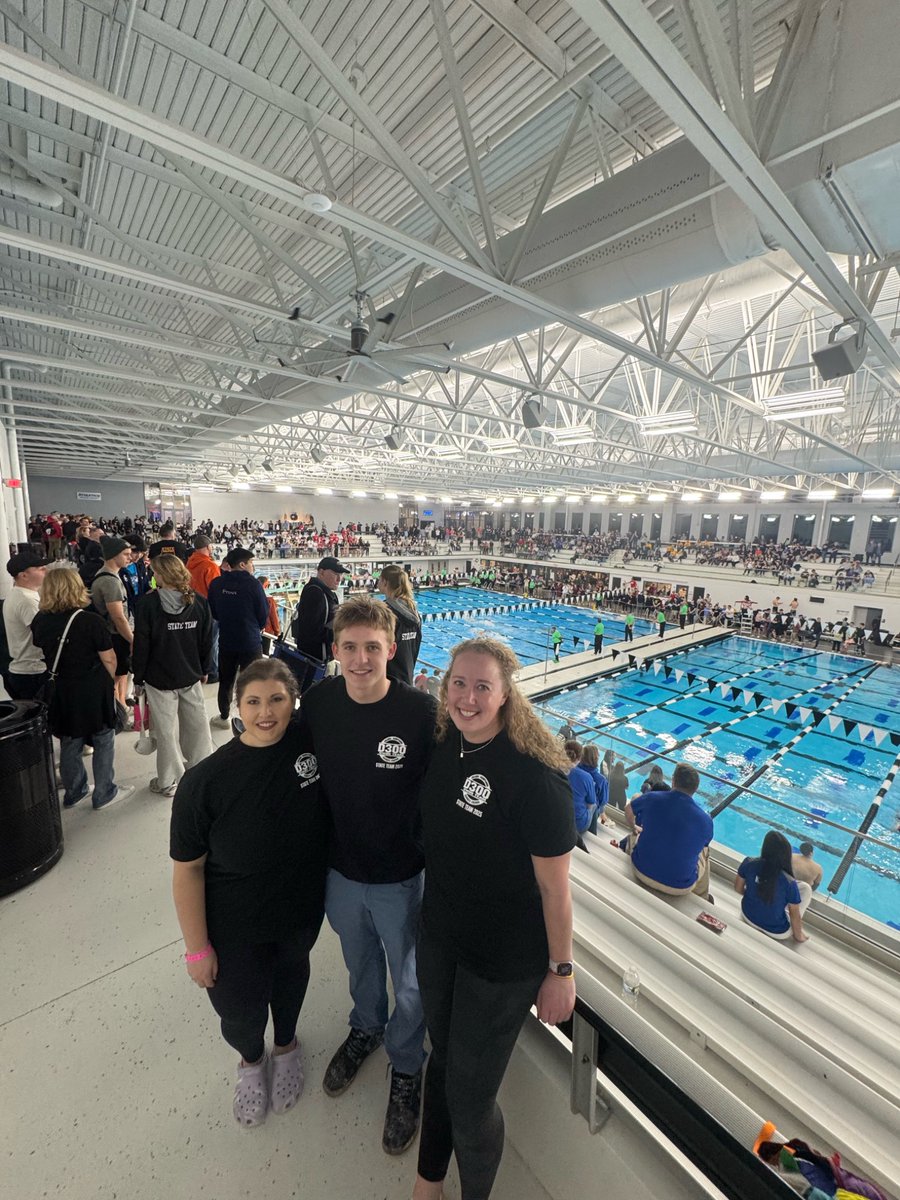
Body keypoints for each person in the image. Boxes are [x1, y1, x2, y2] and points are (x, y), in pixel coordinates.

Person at [413, 637, 576, 1200]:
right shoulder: (443, 746)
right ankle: (427, 1181)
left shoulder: (535, 780)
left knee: (471, 1097)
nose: (467, 697)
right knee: (443, 1061)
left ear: (506, 695)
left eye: (483, 686)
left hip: (502, 963)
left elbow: (556, 890)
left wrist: (560, 970)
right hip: (439, 939)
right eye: (458, 683)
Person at [300, 595, 437, 1155]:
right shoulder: (320, 702)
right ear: (336, 650)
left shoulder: (418, 713)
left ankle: (407, 1065)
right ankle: (365, 1028)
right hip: (341, 869)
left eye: (372, 649)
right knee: (358, 961)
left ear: (390, 649)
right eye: (351, 648)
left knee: (409, 979)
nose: (361, 660)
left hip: (402, 874)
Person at [170, 658, 329, 1126]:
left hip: (299, 910)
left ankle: (286, 1045)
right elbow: (187, 872)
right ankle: (250, 1061)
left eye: (277, 700)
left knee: (290, 980)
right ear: (237, 705)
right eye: (254, 701)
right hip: (233, 923)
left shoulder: (308, 744)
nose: (266, 712)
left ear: (293, 702)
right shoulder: (204, 783)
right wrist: (197, 949)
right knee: (238, 1010)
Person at [31, 564, 135, 810]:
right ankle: (104, 792)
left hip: (62, 686)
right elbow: (109, 658)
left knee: (70, 738)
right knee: (103, 737)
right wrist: (110, 683)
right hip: (92, 686)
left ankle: (75, 790)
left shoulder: (40, 620)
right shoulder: (90, 621)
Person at [132, 556, 214, 798]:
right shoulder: (199, 602)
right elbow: (207, 641)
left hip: (159, 679)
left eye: (155, 572)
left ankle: (168, 781)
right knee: (198, 729)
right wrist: (204, 669)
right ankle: (201, 774)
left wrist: (138, 677)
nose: (152, 577)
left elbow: (142, 645)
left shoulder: (148, 605)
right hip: (190, 675)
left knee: (166, 733)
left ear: (162, 575)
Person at [624, 763, 713, 898]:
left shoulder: (653, 797)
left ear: (673, 781)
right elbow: (704, 844)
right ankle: (703, 896)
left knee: (635, 833)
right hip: (680, 887)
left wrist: (633, 827)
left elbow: (628, 810)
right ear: (695, 788)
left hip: (641, 871)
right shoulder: (706, 820)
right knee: (705, 852)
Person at [207, 548, 267, 729]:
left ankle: (224, 716)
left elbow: (214, 612)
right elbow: (263, 614)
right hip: (250, 641)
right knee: (253, 681)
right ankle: (251, 718)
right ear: (242, 564)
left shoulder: (217, 584)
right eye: (251, 563)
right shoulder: (253, 584)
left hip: (227, 641)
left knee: (226, 680)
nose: (252, 567)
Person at [735, 832, 811, 942]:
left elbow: (738, 888)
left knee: (776, 893)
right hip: (777, 932)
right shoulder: (789, 882)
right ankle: (777, 905)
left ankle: (773, 903)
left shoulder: (748, 863)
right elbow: (794, 915)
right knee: (806, 889)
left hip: (747, 916)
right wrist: (799, 937)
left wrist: (755, 893)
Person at [291, 556, 349, 693]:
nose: (339, 579)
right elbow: (311, 630)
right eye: (335, 574)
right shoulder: (315, 592)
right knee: (314, 695)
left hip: (321, 657)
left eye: (340, 574)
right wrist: (338, 635)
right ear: (321, 572)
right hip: (315, 659)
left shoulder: (324, 592)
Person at [90, 536, 135, 712]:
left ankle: (121, 706)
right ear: (112, 556)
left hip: (115, 633)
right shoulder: (109, 581)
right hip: (115, 635)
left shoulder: (109, 576)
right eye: (125, 554)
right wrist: (132, 639)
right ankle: (116, 712)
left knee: (121, 674)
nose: (129, 558)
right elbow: (118, 616)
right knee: (115, 678)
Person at [2, 550, 48, 699]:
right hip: (32, 672)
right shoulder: (26, 600)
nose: (45, 571)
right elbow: (43, 633)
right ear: (24, 575)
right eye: (40, 569)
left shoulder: (21, 594)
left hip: (24, 670)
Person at [377, 565, 422, 686]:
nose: (378, 583)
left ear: (385, 582)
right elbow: (415, 647)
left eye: (379, 579)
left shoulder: (384, 611)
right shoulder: (414, 611)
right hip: (407, 678)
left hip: (387, 680)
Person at [186, 533, 221, 683]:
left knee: (196, 642)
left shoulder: (189, 564)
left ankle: (198, 669)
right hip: (209, 609)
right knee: (212, 642)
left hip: (191, 607)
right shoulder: (210, 566)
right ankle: (212, 672)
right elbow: (216, 591)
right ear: (208, 547)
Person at [564, 739, 595, 839]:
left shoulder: (552, 767)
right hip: (577, 825)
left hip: (555, 815)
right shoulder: (586, 777)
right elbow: (590, 804)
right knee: (595, 805)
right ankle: (593, 834)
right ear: (580, 758)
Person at [579, 744, 609, 833]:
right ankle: (592, 832)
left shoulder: (574, 770)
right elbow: (603, 801)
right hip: (586, 816)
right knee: (594, 805)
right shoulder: (601, 780)